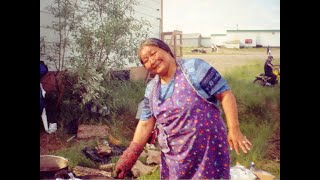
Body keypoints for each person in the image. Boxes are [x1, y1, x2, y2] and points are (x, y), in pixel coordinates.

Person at [114, 38, 252, 179]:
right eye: (145, 60)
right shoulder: (151, 89)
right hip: (175, 159)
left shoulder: (194, 68)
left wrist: (234, 129)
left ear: (167, 49)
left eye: (153, 53)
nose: (151, 61)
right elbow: (145, 124)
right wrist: (129, 157)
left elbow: (225, 94)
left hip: (209, 154)